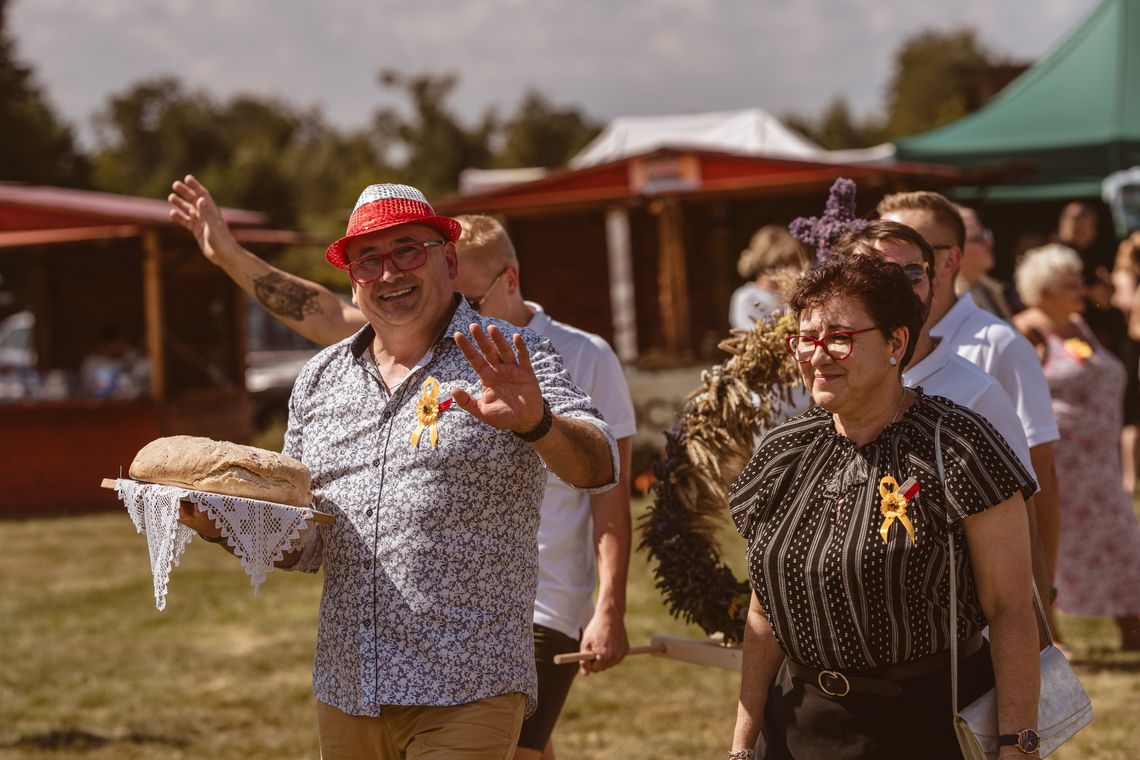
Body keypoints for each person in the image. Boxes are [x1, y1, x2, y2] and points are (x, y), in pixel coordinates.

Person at [168, 176, 635, 760]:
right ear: (352, 279)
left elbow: (601, 466)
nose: (389, 273)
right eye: (369, 260)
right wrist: (227, 525)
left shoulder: (509, 351)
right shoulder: (321, 380)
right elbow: (310, 544)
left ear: (447, 257)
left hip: (468, 686)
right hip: (349, 691)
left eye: (407, 251)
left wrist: (537, 423)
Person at [729, 251, 1040, 760]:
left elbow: (1009, 608)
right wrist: (742, 745)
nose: (817, 354)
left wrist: (1018, 743)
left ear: (896, 342)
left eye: (840, 337)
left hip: (926, 725)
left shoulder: (957, 445)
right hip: (795, 728)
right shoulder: (781, 454)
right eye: (806, 338)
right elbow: (763, 617)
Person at [878, 192, 1062, 613]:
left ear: (948, 261)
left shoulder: (998, 344)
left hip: (980, 596)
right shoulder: (873, 348)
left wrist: (1041, 594)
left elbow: (1039, 476)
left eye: (911, 253)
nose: (891, 265)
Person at [1012, 244, 1140, 650]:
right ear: (1043, 290)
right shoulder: (1026, 330)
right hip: (1060, 464)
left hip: (1099, 463)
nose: (1080, 291)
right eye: (1070, 284)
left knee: (1121, 539)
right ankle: (1050, 633)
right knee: (1052, 547)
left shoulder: (1078, 325)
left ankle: (1131, 626)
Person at [729, 225, 807, 330]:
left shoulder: (795, 294)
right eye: (788, 262)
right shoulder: (747, 297)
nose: (797, 268)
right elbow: (759, 338)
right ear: (771, 265)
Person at [954, 206, 1013, 321]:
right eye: (978, 238)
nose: (989, 243)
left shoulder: (991, 291)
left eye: (986, 234)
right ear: (955, 252)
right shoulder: (953, 302)